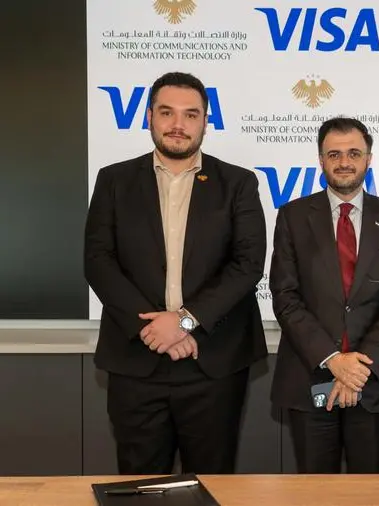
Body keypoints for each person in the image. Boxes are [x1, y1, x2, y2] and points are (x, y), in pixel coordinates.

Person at [84, 71, 267, 474]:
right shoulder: (114, 180)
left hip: (213, 362)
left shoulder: (238, 183)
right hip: (136, 360)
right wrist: (153, 329)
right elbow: (98, 260)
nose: (178, 124)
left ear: (205, 121)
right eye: (167, 112)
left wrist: (184, 322)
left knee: (213, 483)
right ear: (149, 116)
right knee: (140, 485)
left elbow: (248, 264)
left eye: (191, 114)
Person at [269, 117, 379, 474]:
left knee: (370, 494)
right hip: (309, 380)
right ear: (321, 160)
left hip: (373, 383)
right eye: (334, 154)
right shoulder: (293, 216)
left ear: (369, 159)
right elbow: (285, 296)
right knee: (314, 494)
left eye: (354, 153)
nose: (344, 162)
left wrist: (356, 369)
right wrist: (333, 359)